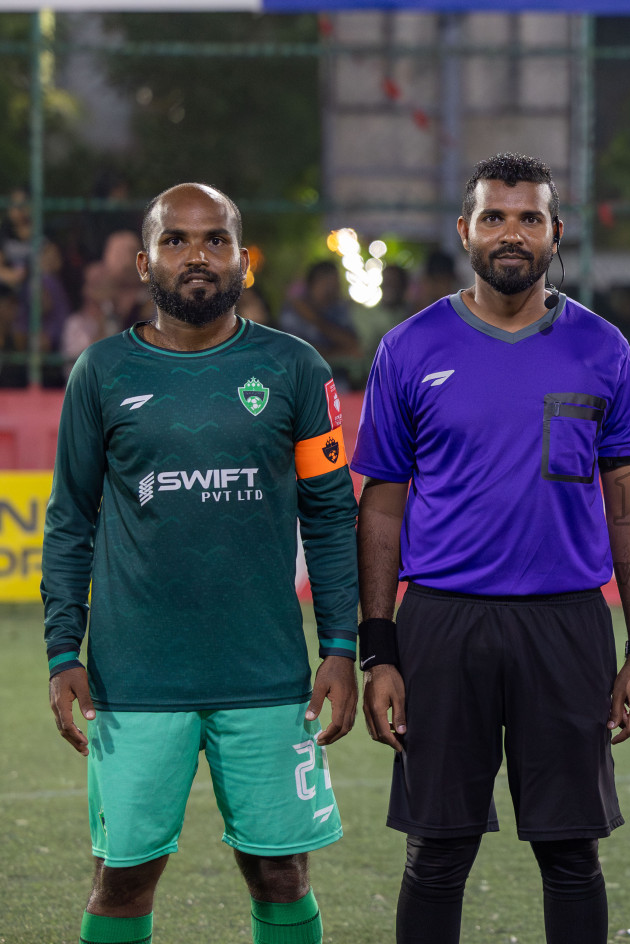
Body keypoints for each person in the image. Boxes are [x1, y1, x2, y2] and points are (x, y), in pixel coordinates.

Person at [351, 153, 630, 944]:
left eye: (529, 218)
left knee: (571, 854)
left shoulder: (603, 347)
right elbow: (381, 507)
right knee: (437, 852)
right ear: (465, 232)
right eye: (494, 217)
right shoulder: (410, 348)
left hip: (565, 623)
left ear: (557, 234)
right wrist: (379, 648)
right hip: (443, 625)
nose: (511, 233)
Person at [41, 183, 359, 944]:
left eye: (215, 240)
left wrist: (342, 646)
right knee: (120, 879)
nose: (197, 256)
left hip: (267, 674)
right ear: (146, 261)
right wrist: (62, 649)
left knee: (283, 875)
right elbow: (69, 521)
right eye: (177, 241)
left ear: (244, 262)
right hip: (136, 677)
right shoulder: (101, 373)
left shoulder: (295, 368)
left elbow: (329, 514)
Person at [280, 260, 361, 365]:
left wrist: (315, 320)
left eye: (336, 283)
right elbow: (294, 352)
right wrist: (337, 352)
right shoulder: (292, 311)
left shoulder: (338, 309)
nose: (334, 289)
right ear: (313, 283)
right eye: (328, 283)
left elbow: (354, 346)